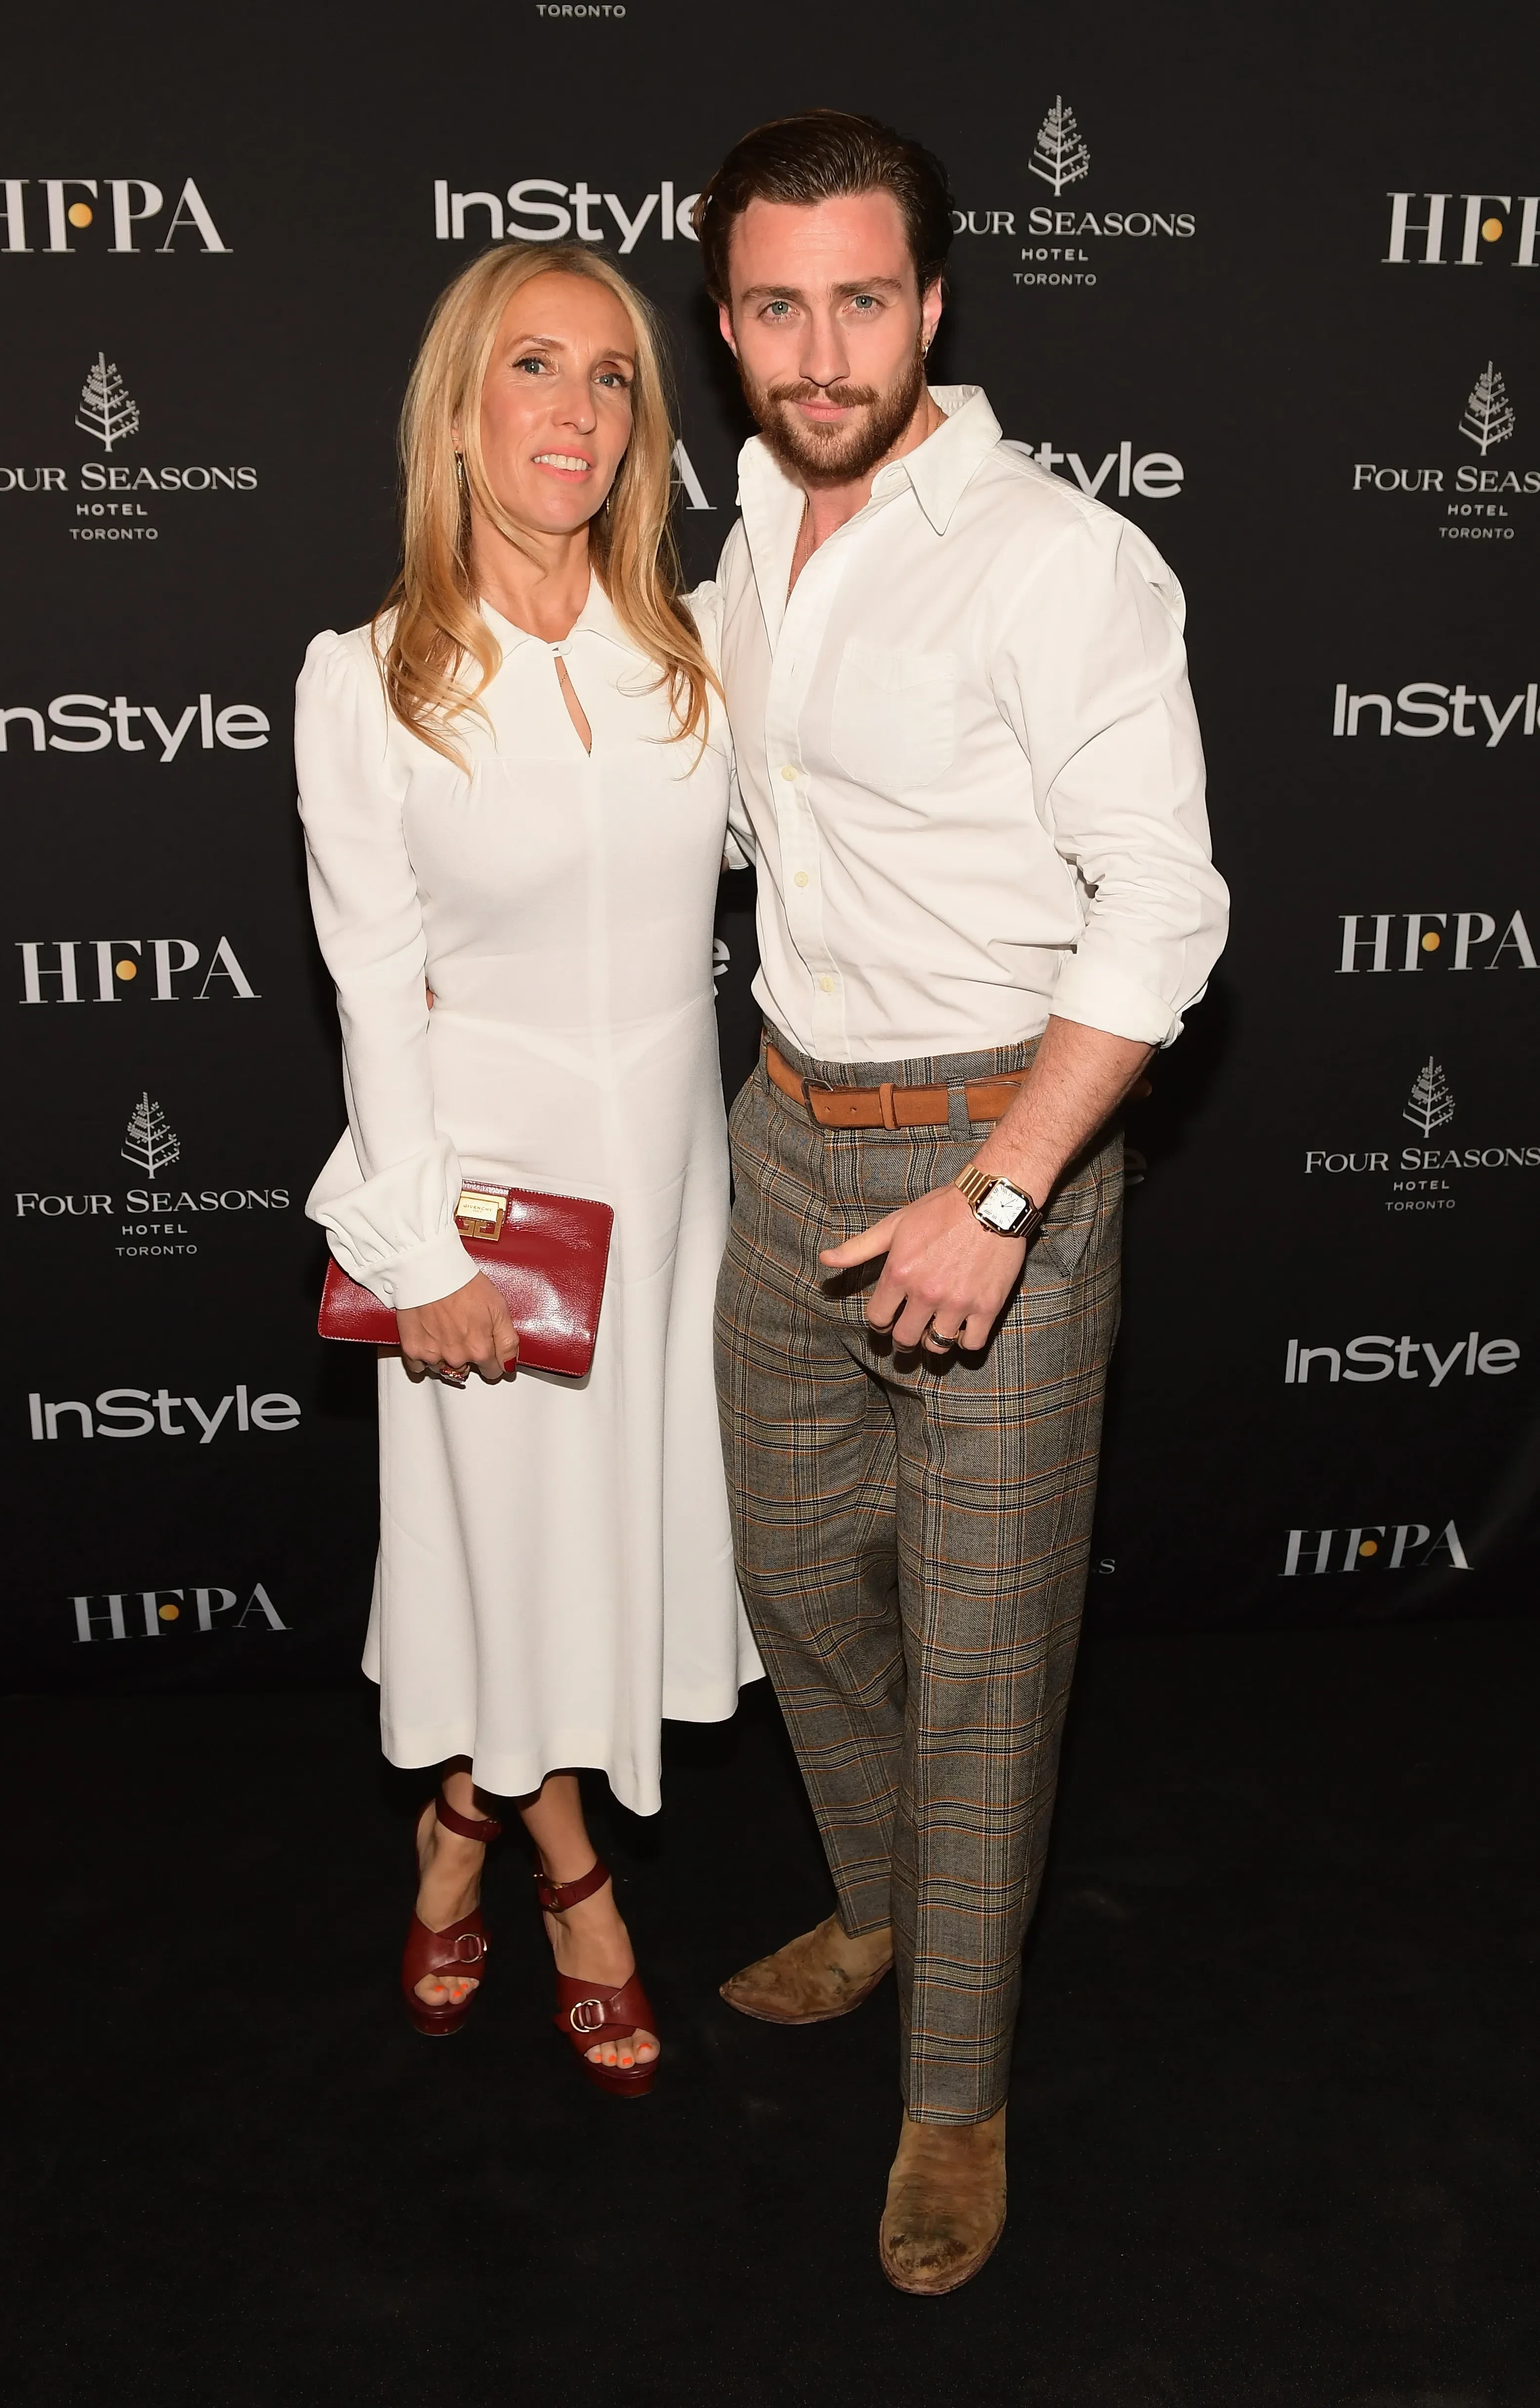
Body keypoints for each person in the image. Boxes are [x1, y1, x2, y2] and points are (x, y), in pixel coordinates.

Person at [700, 113, 1229, 2285]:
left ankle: (954, 2088)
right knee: (799, 1583)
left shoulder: (1054, 559)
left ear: (930, 304)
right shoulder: (736, 541)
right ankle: (875, 1898)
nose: (820, 352)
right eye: (775, 306)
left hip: (995, 1160)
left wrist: (999, 1197)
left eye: (861, 300)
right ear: (726, 321)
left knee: (987, 1655)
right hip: (779, 1138)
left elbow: (1165, 904)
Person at [295, 241, 759, 2098]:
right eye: (534, 366)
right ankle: (575, 1886)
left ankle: (459, 1823)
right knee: (511, 1560)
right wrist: (419, 1251)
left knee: (608, 1556)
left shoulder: (698, 653)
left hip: (674, 1194)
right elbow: (370, 990)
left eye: (614, 375)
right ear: (459, 415)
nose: (577, 409)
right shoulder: (369, 681)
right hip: (496, 1213)